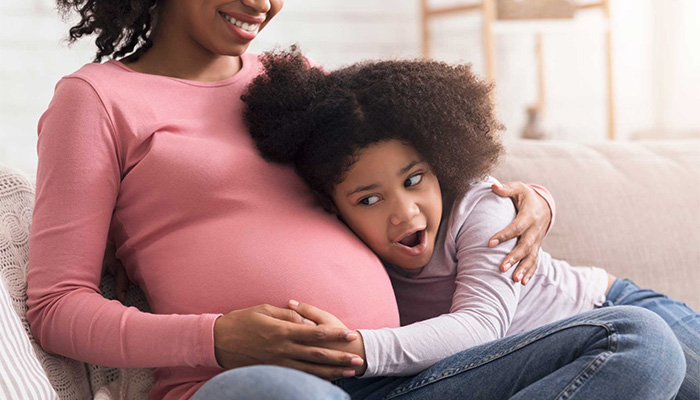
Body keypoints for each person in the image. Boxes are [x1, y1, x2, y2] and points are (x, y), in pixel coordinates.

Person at [24, 1, 685, 399]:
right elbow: (57, 306)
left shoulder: (290, 82)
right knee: (269, 389)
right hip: (267, 385)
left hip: (409, 374)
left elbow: (417, 171)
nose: (266, 3)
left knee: (640, 341)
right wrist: (219, 338)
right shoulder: (96, 100)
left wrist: (533, 199)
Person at [241, 48, 699, 399]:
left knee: (647, 342)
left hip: (600, 308)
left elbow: (481, 325)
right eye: (371, 198)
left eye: (415, 179)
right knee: (644, 348)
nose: (405, 212)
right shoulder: (332, 242)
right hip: (533, 363)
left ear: (441, 163)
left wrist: (358, 349)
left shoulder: (480, 206)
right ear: (334, 207)